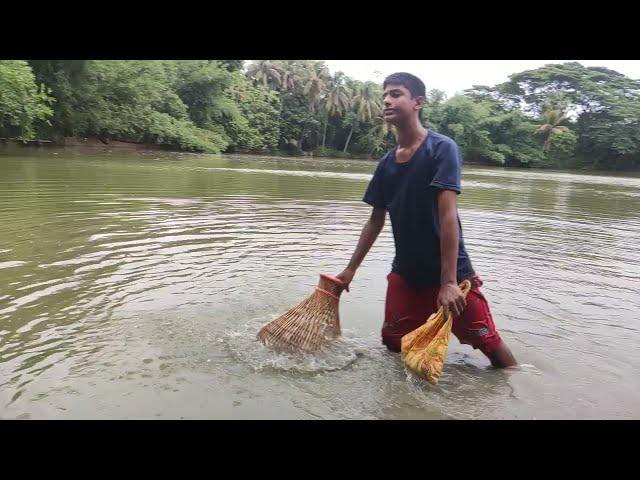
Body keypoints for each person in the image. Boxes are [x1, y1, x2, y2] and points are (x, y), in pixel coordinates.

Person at [335, 72, 517, 368]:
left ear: (418, 102)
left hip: (451, 275)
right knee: (394, 346)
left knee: (490, 346)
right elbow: (375, 221)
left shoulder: (442, 149)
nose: (386, 100)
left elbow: (448, 215)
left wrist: (449, 283)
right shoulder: (386, 164)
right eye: (385, 95)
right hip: (407, 275)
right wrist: (350, 269)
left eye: (395, 94)